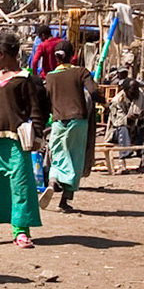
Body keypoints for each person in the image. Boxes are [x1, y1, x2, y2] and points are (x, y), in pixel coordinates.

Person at [0, 31, 45, 248]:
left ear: (3, 54)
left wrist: (38, 136)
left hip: (17, 142)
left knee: (20, 186)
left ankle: (21, 231)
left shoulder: (24, 79)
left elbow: (35, 110)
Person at [41, 42, 94, 212]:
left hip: (58, 121)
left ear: (56, 57)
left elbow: (46, 102)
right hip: (78, 120)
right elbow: (93, 91)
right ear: (73, 56)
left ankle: (52, 182)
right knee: (75, 158)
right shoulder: (81, 72)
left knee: (57, 155)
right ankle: (64, 201)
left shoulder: (50, 77)